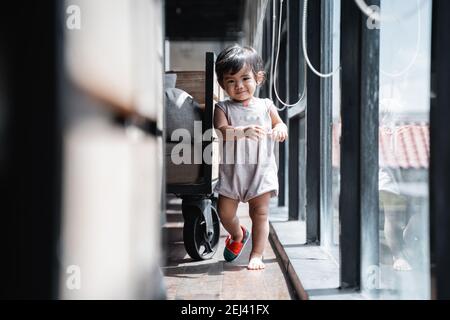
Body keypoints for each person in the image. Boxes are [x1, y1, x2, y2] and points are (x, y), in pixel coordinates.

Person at [213, 44, 288, 270]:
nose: (239, 86)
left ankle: (256, 255)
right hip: (233, 174)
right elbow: (220, 130)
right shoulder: (223, 107)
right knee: (224, 213)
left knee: (261, 214)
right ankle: (237, 234)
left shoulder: (266, 105)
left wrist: (280, 129)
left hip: (260, 172)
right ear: (222, 84)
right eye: (231, 81)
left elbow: (279, 123)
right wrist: (242, 131)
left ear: (259, 77)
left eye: (245, 78)